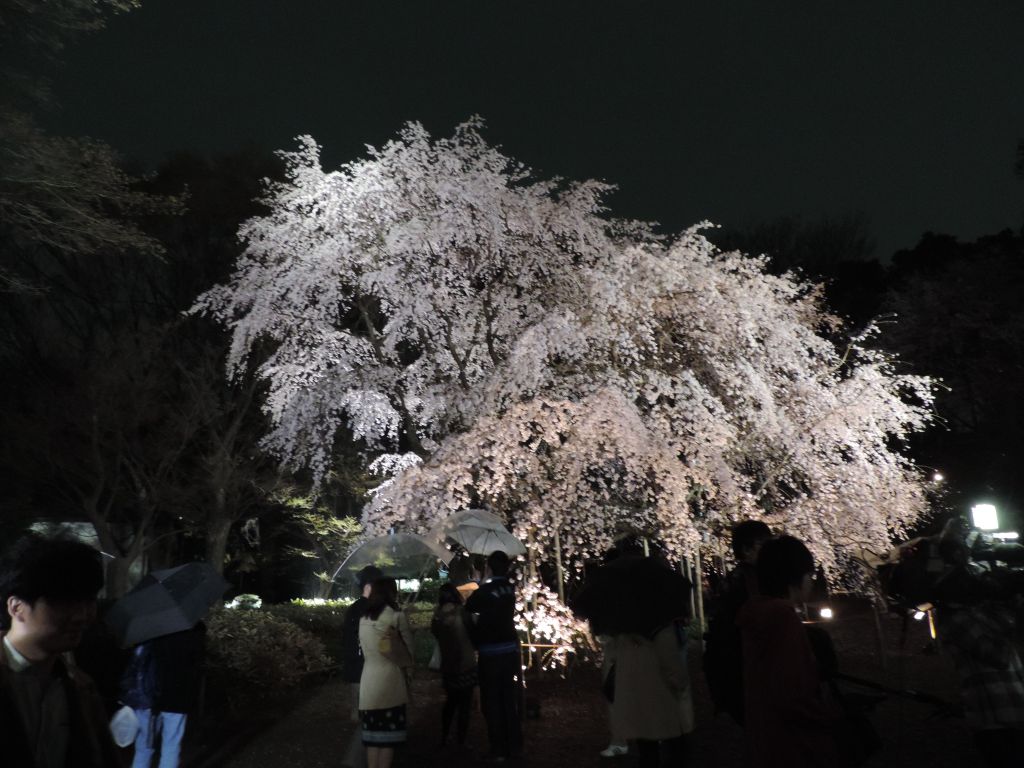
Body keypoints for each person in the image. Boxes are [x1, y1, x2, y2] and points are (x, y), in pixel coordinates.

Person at [0, 533, 123, 768]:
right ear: (17, 607)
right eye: (63, 602)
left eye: (88, 601)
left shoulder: (82, 688)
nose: (82, 616)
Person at [736, 535, 839, 767]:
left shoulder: (755, 611)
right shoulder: (782, 617)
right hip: (793, 741)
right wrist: (828, 718)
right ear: (794, 579)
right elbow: (793, 688)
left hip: (765, 732)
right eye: (809, 576)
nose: (811, 583)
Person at [703, 519, 772, 725]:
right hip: (746, 661)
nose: (768, 549)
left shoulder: (749, 577)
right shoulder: (741, 581)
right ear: (746, 549)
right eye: (763, 544)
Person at [120, 623, 205, 768]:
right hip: (177, 697)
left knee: (143, 747)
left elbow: (138, 661)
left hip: (148, 696)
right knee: (171, 745)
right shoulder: (193, 629)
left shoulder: (148, 629)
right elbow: (196, 663)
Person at [465, 550, 523, 761]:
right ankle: (514, 745)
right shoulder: (509, 588)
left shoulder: (486, 590)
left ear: (489, 567)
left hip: (491, 652)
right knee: (508, 698)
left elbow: (470, 606)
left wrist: (479, 583)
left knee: (492, 700)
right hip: (509, 649)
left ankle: (498, 748)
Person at [358, 577, 414, 768]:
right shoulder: (395, 616)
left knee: (373, 738)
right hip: (390, 680)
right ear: (392, 593)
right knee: (387, 740)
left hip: (368, 681)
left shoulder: (364, 618)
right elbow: (408, 650)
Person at [341, 565, 383, 768]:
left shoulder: (353, 609)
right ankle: (355, 759)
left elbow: (348, 643)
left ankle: (361, 757)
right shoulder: (372, 609)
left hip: (355, 670)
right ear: (370, 586)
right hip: (367, 670)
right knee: (369, 718)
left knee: (362, 716)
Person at [430, 582, 477, 750]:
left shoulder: (437, 616)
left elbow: (435, 634)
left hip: (448, 664)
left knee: (450, 702)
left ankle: (444, 736)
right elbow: (474, 634)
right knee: (465, 704)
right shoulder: (463, 613)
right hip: (466, 663)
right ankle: (461, 740)